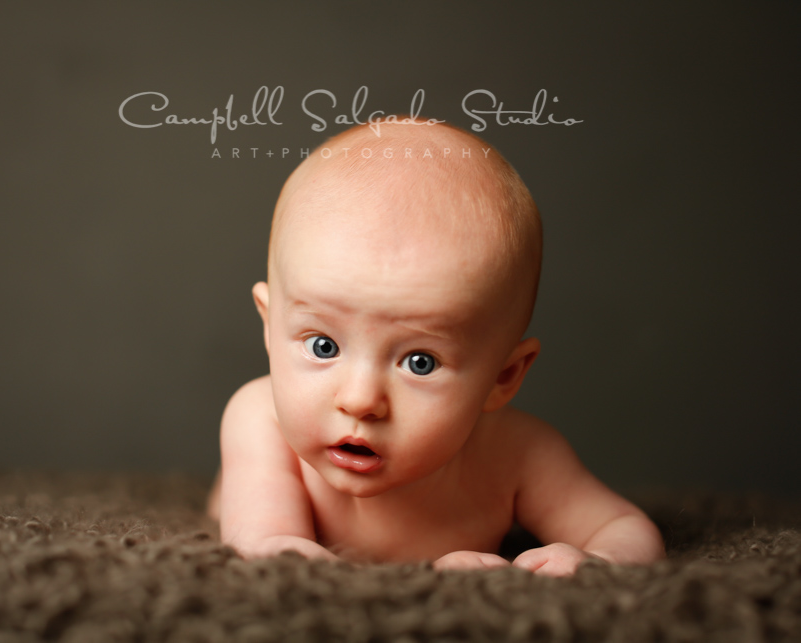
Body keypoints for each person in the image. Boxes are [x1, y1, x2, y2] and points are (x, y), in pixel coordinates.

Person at [208, 120, 665, 575]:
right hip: (251, 480)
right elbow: (268, 547)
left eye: (419, 362)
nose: (360, 400)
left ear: (502, 377)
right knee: (232, 494)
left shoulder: (518, 454)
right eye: (324, 346)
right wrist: (279, 546)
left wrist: (597, 561)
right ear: (270, 326)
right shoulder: (260, 420)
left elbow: (623, 526)